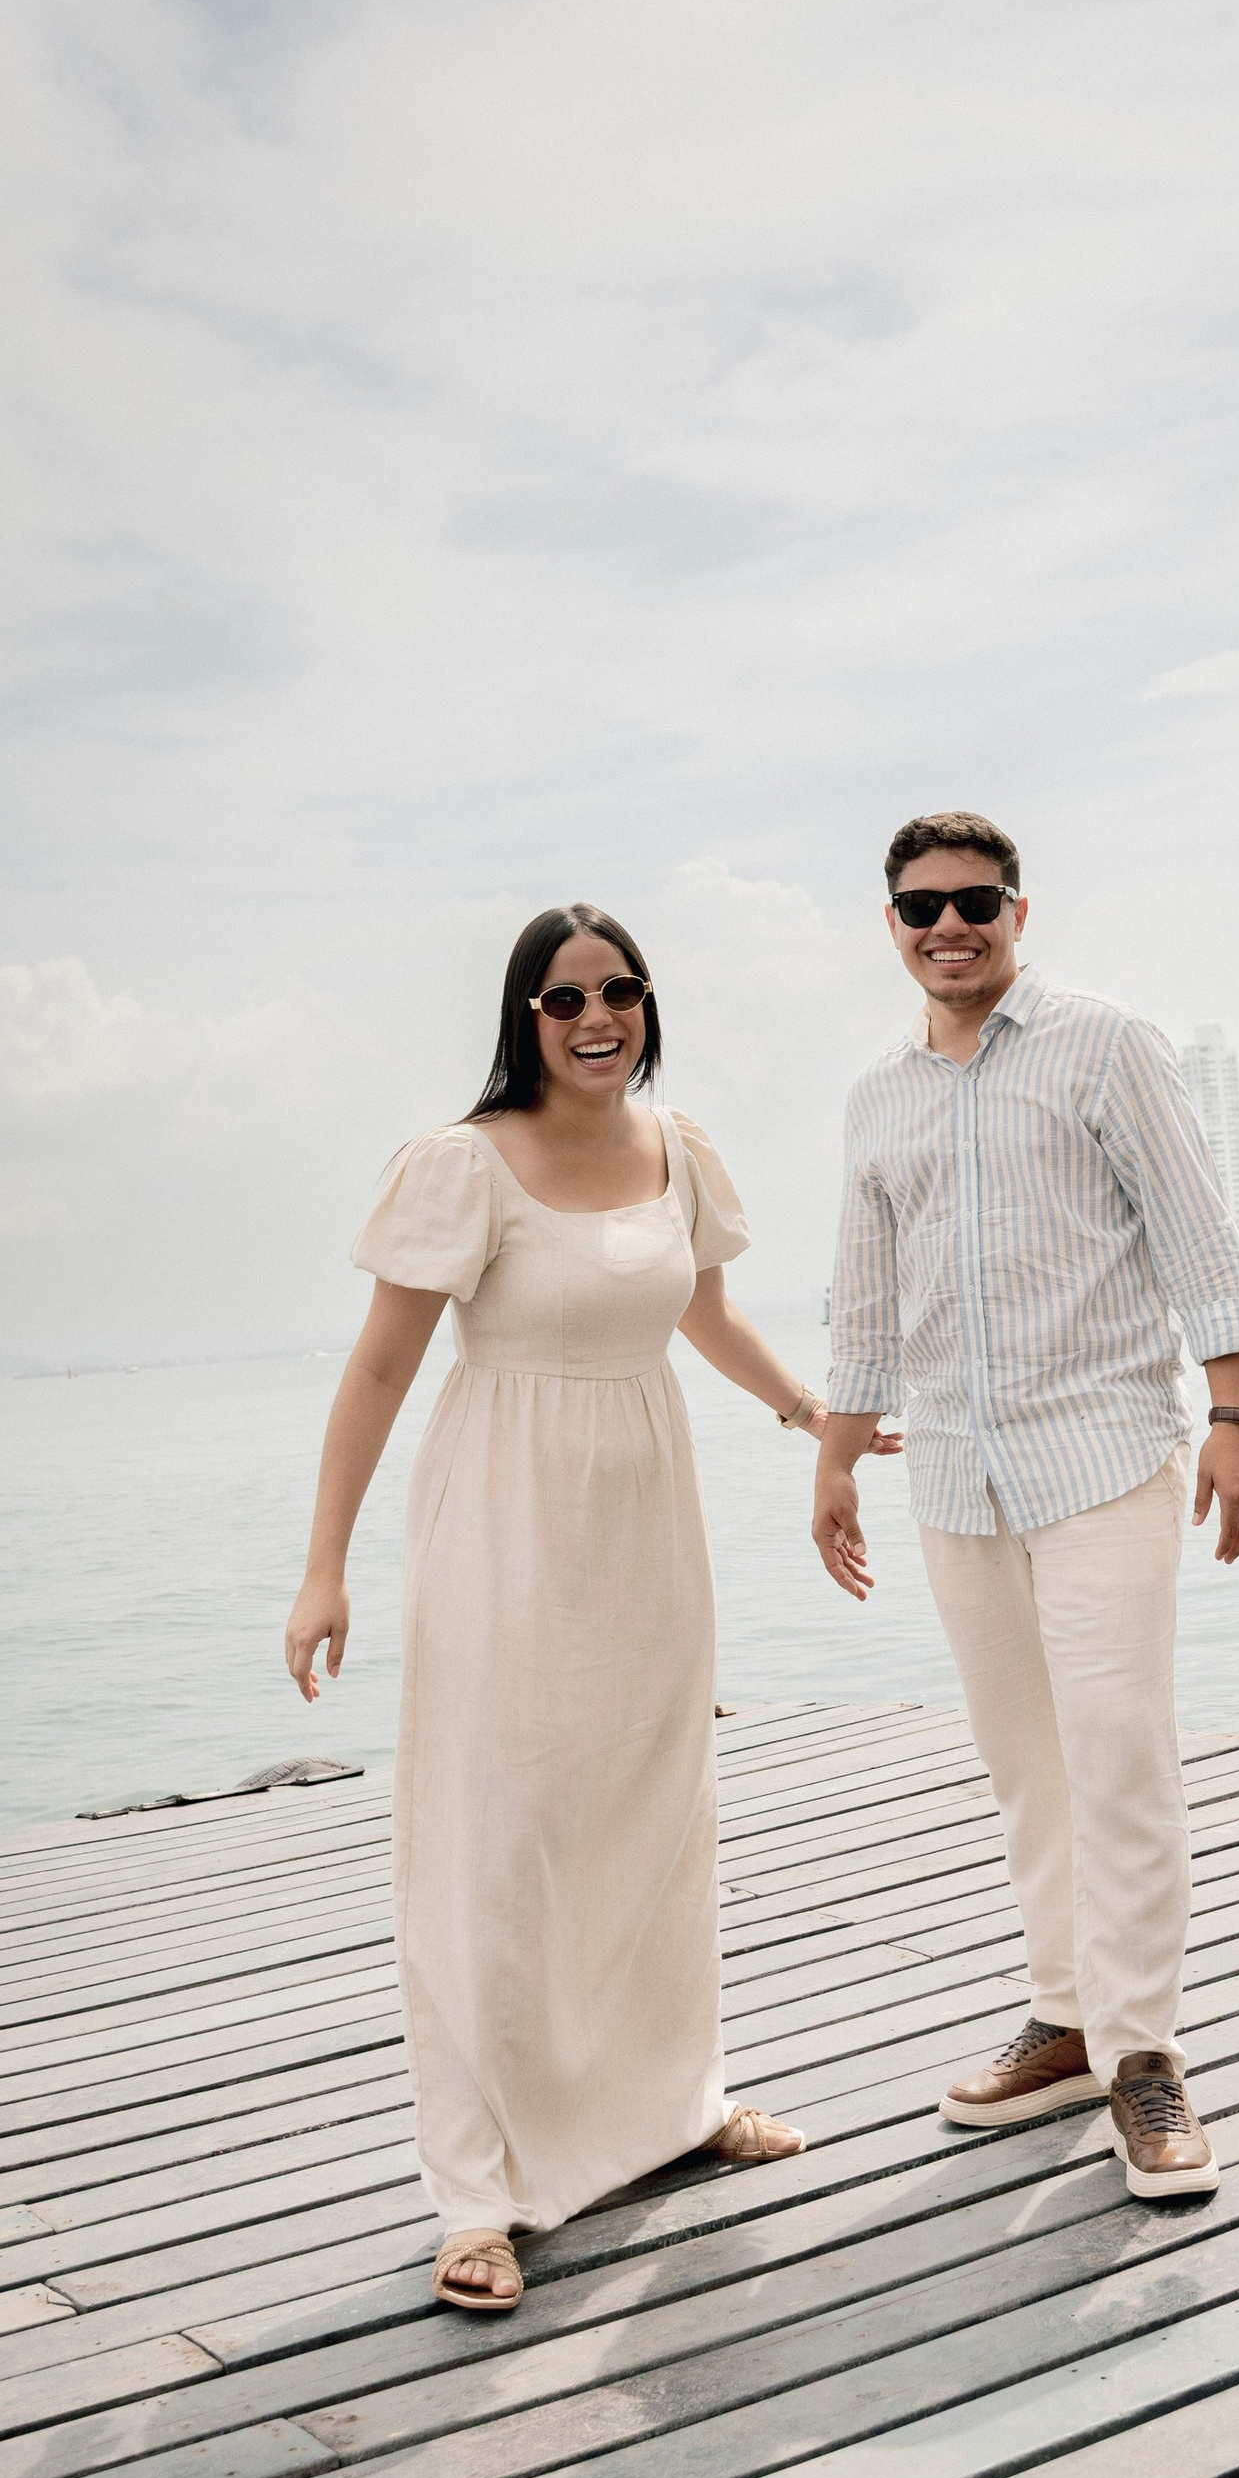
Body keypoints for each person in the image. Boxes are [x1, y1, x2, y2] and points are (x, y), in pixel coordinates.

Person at [285, 901, 870, 2312]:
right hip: (505, 1520)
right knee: (501, 1840)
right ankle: (478, 2194)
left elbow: (703, 1315)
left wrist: (813, 1414)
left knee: (652, 1813)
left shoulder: (681, 1154)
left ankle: (672, 2105)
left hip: (645, 1517)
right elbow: (376, 1372)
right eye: (565, 999)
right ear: (523, 1018)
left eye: (621, 991)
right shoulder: (463, 1166)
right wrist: (325, 1564)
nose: (598, 1017)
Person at [813, 815, 1239, 2199]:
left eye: (972, 901)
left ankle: (1144, 2054)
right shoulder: (876, 1094)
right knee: (1027, 1763)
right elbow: (866, 1293)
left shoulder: (1106, 1043)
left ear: (1020, 907)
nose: (947, 926)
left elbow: (1199, 1233)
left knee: (1118, 1748)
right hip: (956, 1472)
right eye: (919, 907)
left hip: (1103, 1452)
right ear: (890, 922)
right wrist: (834, 1457)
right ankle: (1069, 2016)